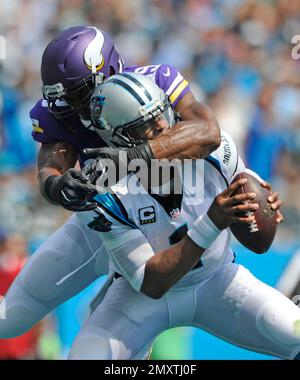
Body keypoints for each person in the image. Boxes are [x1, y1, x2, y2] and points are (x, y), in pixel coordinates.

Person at [0, 25, 220, 341]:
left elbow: (208, 131)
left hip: (168, 226)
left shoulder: (156, 80)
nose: (70, 108)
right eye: (61, 97)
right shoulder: (60, 114)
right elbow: (50, 166)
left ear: (108, 71)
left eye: (76, 94)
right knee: (9, 317)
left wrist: (132, 157)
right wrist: (57, 186)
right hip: (103, 225)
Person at [68, 73, 300, 361]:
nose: (164, 125)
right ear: (120, 139)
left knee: (295, 333)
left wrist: (261, 203)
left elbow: (247, 194)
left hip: (217, 281)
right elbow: (151, 283)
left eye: (162, 113)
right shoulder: (103, 193)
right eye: (148, 124)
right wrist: (212, 222)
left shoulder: (213, 150)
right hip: (138, 300)